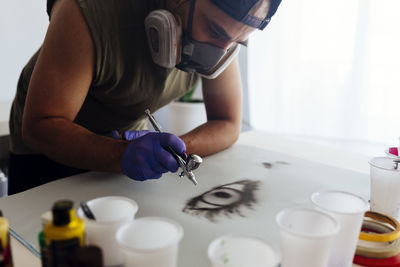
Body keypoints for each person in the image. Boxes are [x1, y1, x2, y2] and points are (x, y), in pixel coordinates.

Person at [8, 0, 281, 194]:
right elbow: (40, 126)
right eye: (214, 30)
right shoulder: (88, 10)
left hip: (124, 150)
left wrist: (175, 150)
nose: (219, 53)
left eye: (238, 41)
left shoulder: (224, 36)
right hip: (48, 154)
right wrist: (119, 154)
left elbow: (228, 122)